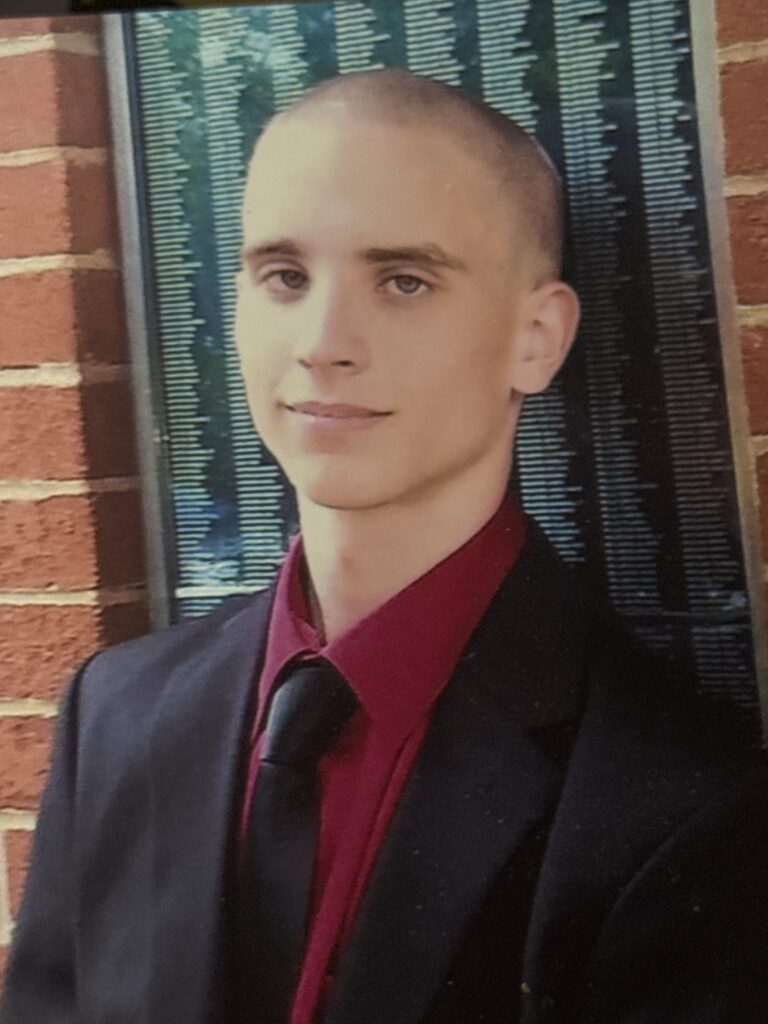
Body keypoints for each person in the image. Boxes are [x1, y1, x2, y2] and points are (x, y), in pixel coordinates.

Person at [3, 68, 768, 1024]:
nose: (323, 342)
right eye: (285, 277)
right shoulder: (116, 713)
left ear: (536, 337)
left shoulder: (679, 801)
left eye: (404, 280)